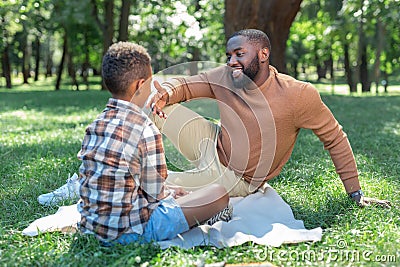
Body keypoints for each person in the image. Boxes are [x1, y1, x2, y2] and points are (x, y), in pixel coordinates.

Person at [148, 29, 390, 208]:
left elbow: (335, 139)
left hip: (236, 178)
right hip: (211, 143)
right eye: (229, 55)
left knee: (154, 187)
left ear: (263, 54)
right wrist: (166, 91)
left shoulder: (298, 95)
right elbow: (187, 86)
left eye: (239, 54)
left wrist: (356, 193)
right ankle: (125, 152)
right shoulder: (225, 75)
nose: (232, 61)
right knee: (154, 104)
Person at [73, 42, 232, 245]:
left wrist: (170, 191)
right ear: (140, 85)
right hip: (132, 232)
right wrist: (174, 195)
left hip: (91, 226)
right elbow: (156, 196)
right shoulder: (144, 128)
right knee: (218, 193)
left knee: (176, 189)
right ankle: (205, 216)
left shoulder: (97, 124)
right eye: (150, 82)